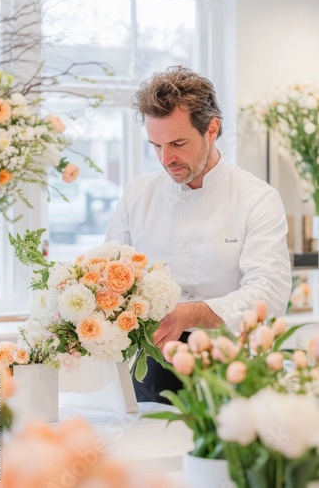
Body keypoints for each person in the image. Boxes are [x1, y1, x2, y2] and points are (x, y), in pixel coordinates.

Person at [105, 65, 292, 402]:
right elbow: (108, 276)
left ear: (212, 130)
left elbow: (269, 294)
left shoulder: (257, 199)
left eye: (178, 143)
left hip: (232, 368)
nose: (166, 159)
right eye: (156, 145)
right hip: (152, 367)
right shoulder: (137, 195)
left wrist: (188, 315)